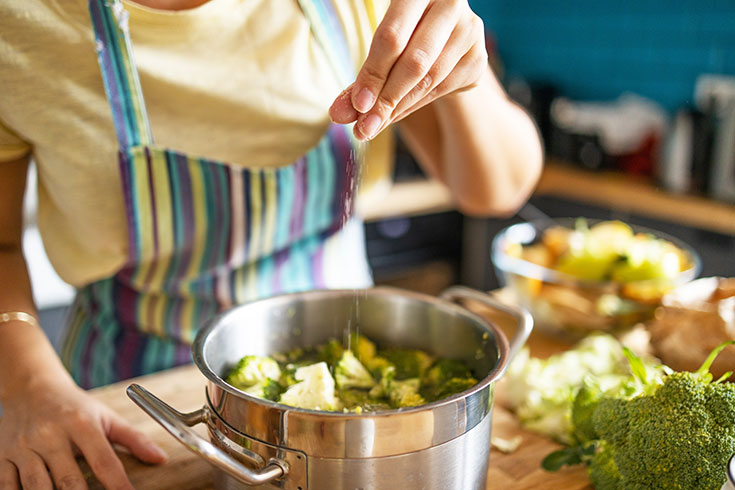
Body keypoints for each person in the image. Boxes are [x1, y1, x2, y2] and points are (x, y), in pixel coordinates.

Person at [0, 0, 542, 488]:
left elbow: (497, 188)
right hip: (129, 397)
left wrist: (464, 73)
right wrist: (29, 386)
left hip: (358, 389)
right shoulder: (20, 24)